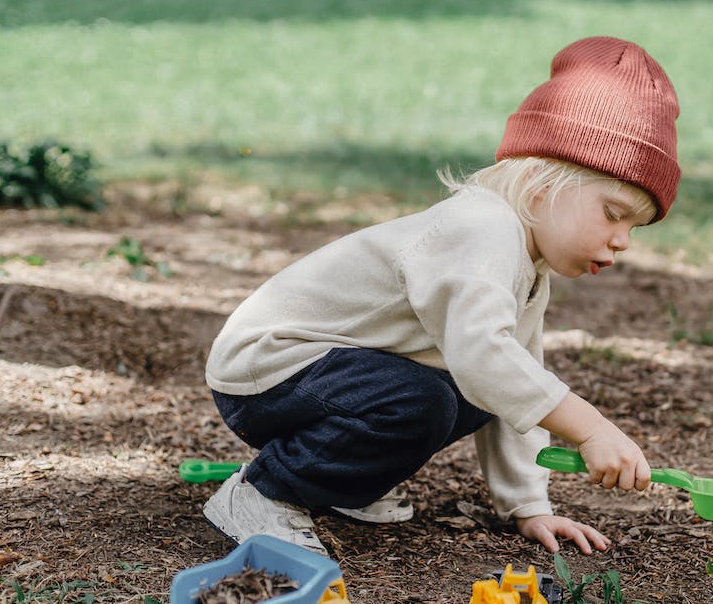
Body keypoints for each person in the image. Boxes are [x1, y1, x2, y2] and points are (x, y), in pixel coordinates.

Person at [201, 35, 682, 556]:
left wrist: (528, 506)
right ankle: (264, 493)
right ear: (544, 184)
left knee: (481, 391)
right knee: (427, 400)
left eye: (636, 227)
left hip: (330, 373)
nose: (622, 240)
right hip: (267, 367)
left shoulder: (527, 263)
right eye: (613, 214)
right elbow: (484, 359)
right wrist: (590, 428)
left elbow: (515, 383)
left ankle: (342, 484)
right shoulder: (482, 229)